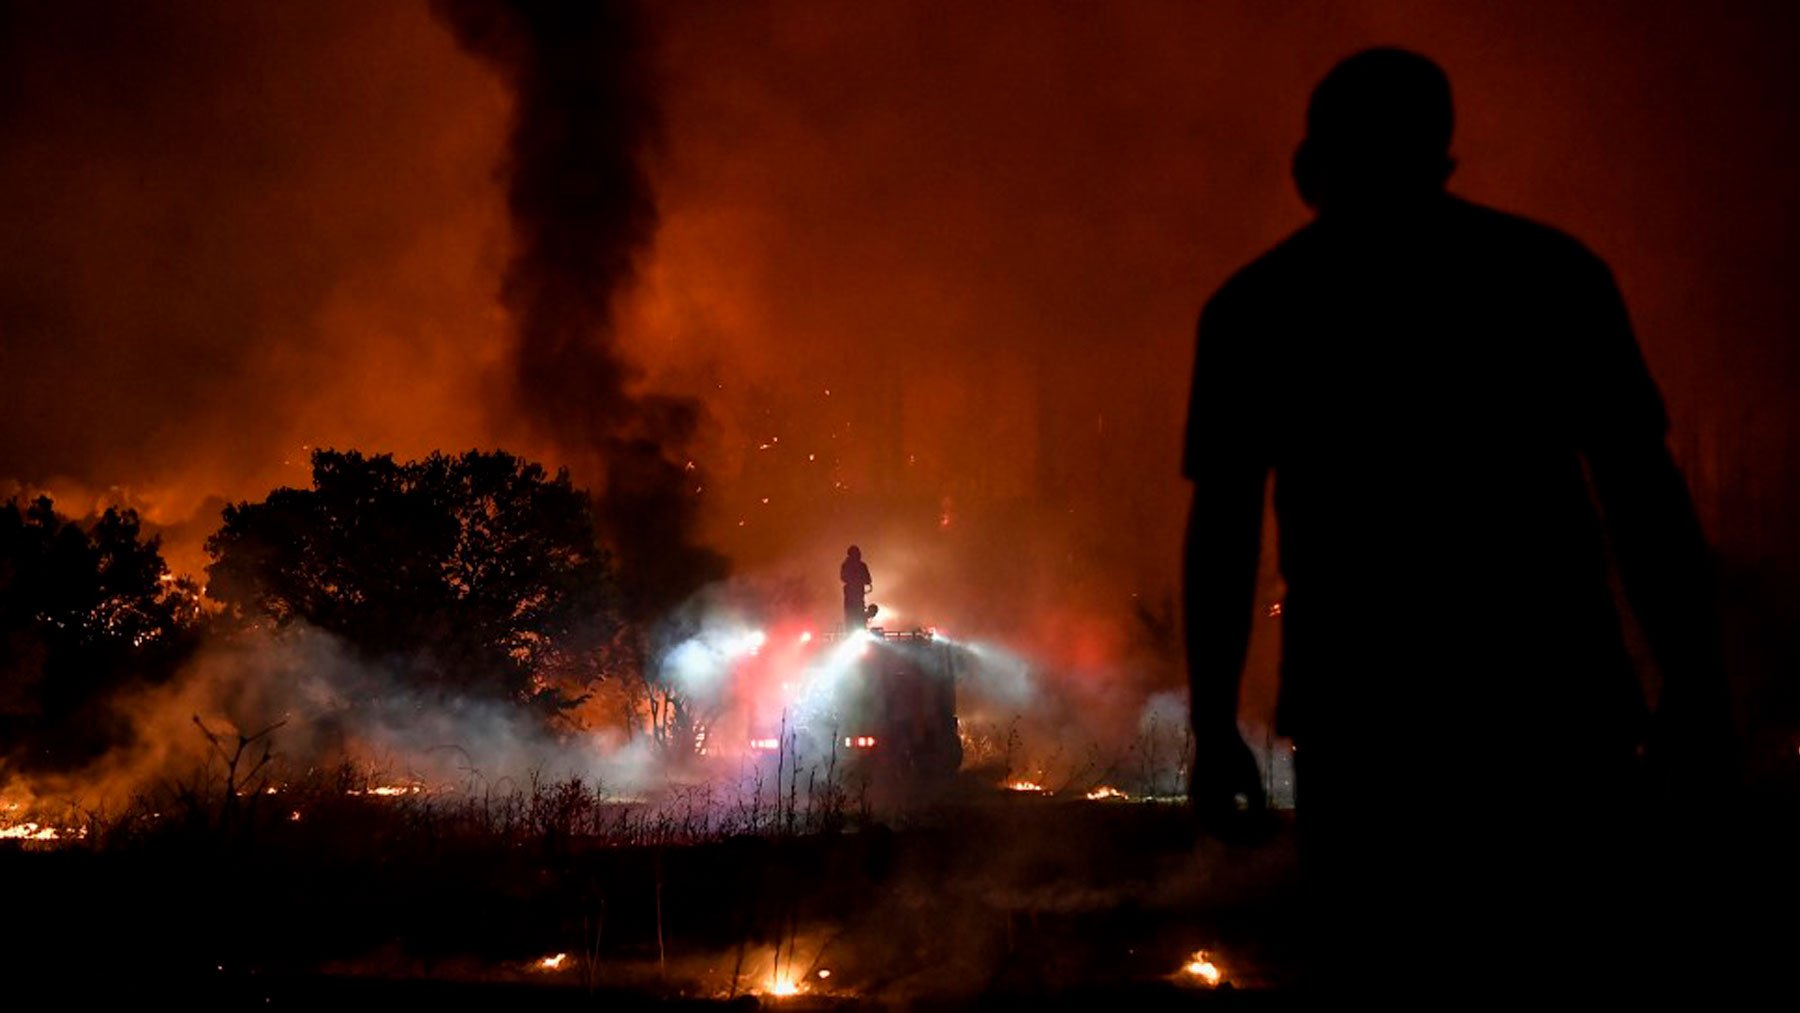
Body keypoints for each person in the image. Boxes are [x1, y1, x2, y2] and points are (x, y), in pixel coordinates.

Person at [1181, 48, 1733, 996]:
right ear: (1439, 150)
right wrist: (1696, 680)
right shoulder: (1552, 275)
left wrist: (1215, 723)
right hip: (1554, 710)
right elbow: (1645, 497)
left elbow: (1224, 535)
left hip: (1368, 728)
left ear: (1318, 158)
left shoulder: (1260, 307)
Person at [840, 545, 872, 630]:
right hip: (854, 594)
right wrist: (858, 580)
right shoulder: (861, 565)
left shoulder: (847, 565)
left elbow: (868, 580)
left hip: (855, 594)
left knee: (853, 615)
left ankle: (856, 629)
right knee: (854, 614)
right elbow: (868, 580)